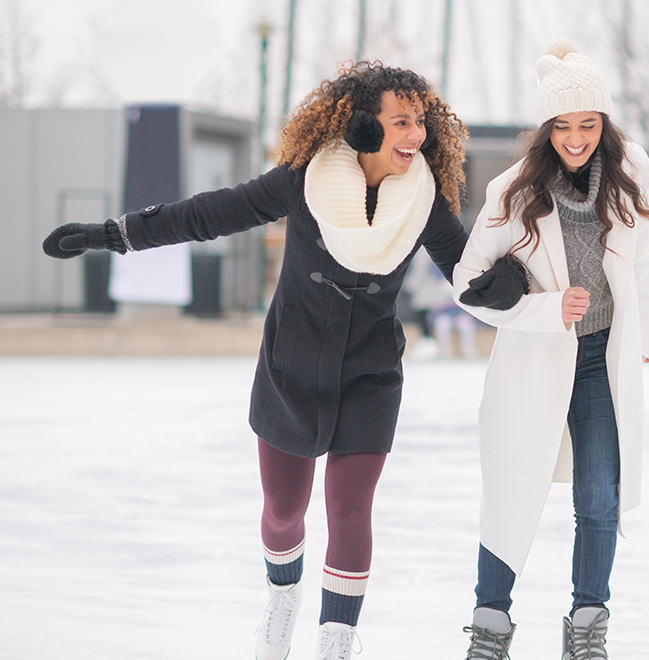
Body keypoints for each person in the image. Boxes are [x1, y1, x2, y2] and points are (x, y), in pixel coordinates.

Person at [41, 62, 469, 660]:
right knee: (283, 512)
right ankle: (283, 595)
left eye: (421, 121)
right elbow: (211, 213)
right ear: (367, 127)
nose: (416, 134)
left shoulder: (422, 202)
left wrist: (537, 292)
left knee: (350, 507)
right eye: (402, 121)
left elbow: (471, 272)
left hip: (370, 373)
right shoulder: (306, 179)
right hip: (292, 364)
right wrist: (113, 234)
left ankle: (336, 643)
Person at [452, 38, 649, 660]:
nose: (576, 138)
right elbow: (467, 287)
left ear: (603, 124)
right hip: (535, 363)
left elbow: (643, 258)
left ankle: (587, 627)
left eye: (588, 124)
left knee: (599, 494)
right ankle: (491, 627)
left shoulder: (632, 170)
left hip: (603, 356)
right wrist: (549, 310)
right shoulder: (512, 191)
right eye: (563, 126)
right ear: (546, 129)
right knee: (513, 493)